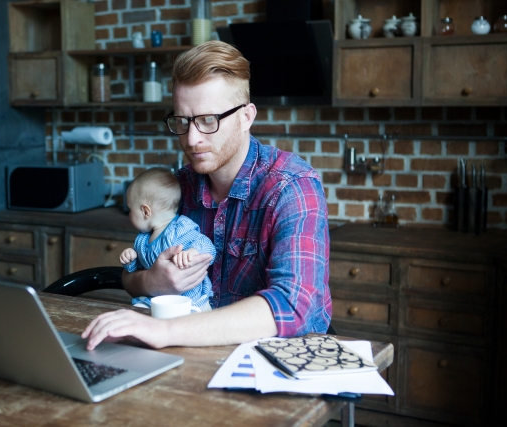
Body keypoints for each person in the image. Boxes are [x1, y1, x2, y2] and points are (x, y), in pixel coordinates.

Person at [82, 40, 331, 350]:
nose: (192, 138)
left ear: (246, 116)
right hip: (196, 360)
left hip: (281, 364)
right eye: (182, 121)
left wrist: (167, 332)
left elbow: (293, 306)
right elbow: (131, 276)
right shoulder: (179, 186)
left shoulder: (291, 186)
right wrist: (151, 281)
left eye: (208, 120)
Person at [120, 167, 216, 311]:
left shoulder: (179, 229)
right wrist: (130, 261)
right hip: (159, 300)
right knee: (137, 309)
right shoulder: (142, 240)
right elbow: (138, 271)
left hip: (193, 301)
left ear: (145, 211)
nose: (128, 215)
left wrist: (192, 253)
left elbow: (207, 245)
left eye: (130, 209)